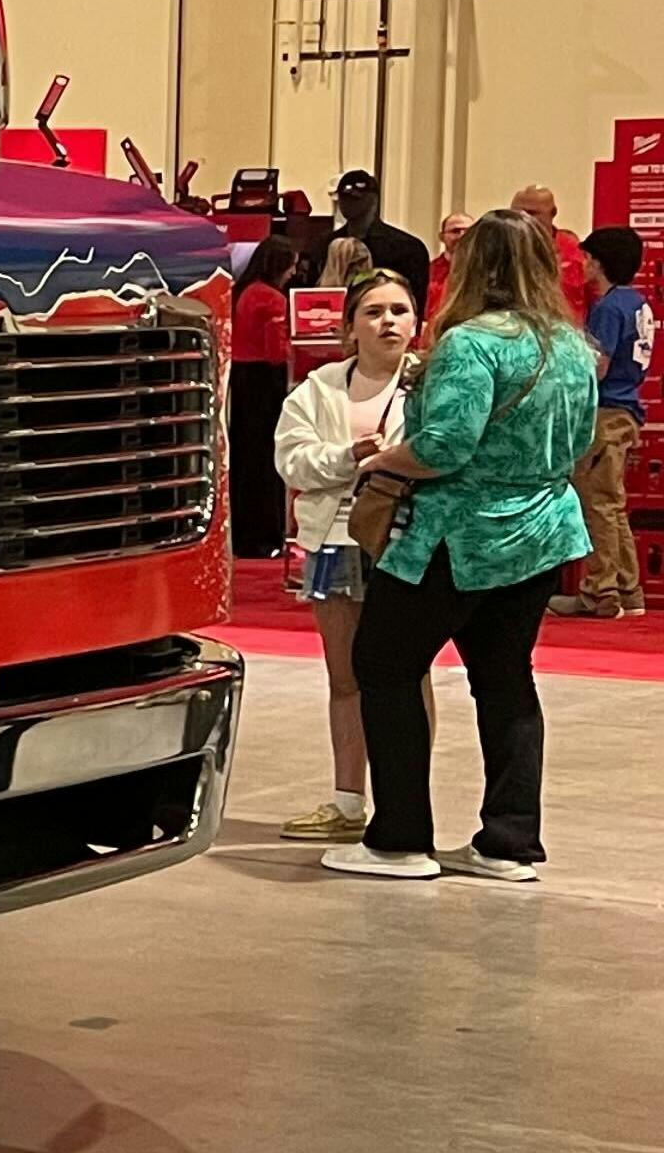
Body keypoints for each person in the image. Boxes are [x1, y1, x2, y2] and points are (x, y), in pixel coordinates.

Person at [324, 207, 600, 885]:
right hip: (540, 533)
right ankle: (509, 842)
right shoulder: (572, 346)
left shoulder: (470, 344)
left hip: (457, 535)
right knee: (506, 681)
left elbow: (444, 447)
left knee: (384, 665)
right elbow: (582, 443)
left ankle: (399, 839)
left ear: (470, 264)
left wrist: (380, 462)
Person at [270, 269, 417, 843]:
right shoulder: (316, 390)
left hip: (406, 542)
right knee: (345, 676)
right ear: (350, 326)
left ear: (416, 322)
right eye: (374, 312)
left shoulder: (432, 385)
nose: (388, 322)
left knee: (408, 675)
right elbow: (292, 462)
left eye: (399, 311)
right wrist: (349, 457)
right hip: (333, 542)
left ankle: (406, 804)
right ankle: (348, 802)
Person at [556, 224, 649, 620]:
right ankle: (628, 588)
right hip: (627, 410)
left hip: (606, 412)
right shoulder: (636, 302)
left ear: (599, 263)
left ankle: (599, 592)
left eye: (588, 259)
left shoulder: (609, 308)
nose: (583, 266)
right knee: (613, 503)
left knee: (596, 502)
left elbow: (598, 365)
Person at [228, 226, 312, 557]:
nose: (294, 272)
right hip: (264, 381)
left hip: (242, 379)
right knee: (266, 458)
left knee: (246, 456)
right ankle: (265, 536)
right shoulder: (272, 298)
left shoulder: (244, 291)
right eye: (291, 265)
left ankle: (245, 533)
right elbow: (277, 352)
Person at [331, 169, 431, 304]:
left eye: (357, 198)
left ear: (374, 200)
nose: (349, 204)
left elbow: (415, 300)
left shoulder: (407, 248)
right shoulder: (323, 246)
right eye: (345, 198)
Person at [512, 184, 598, 317]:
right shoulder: (501, 249)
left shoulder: (575, 251)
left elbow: (595, 296)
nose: (523, 219)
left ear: (553, 212)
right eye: (516, 213)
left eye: (532, 213)